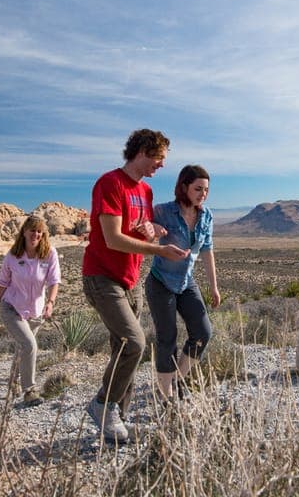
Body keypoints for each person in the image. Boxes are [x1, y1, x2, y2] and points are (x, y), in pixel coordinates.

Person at [82, 129, 189, 443]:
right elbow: (113, 239)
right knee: (134, 343)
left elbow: (138, 231)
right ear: (143, 150)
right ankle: (103, 405)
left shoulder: (145, 191)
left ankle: (117, 422)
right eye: (159, 158)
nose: (161, 165)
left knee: (123, 350)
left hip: (131, 280)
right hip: (102, 277)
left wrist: (152, 231)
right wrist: (158, 250)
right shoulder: (110, 183)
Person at [146, 165, 221, 402]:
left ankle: (177, 378)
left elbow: (207, 251)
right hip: (161, 282)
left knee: (203, 332)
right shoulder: (164, 211)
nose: (203, 194)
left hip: (186, 282)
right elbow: (142, 231)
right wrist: (153, 229)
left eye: (206, 190)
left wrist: (214, 287)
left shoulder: (207, 216)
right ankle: (166, 396)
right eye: (198, 188)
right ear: (184, 187)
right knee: (167, 337)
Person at [0, 215, 61, 407]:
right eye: (32, 230)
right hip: (12, 307)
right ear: (24, 232)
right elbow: (2, 284)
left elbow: (54, 281)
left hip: (36, 312)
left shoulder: (49, 253)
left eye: (39, 231)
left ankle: (13, 383)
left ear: (43, 233)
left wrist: (50, 302)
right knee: (29, 345)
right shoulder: (13, 256)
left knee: (23, 349)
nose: (35, 234)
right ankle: (30, 391)